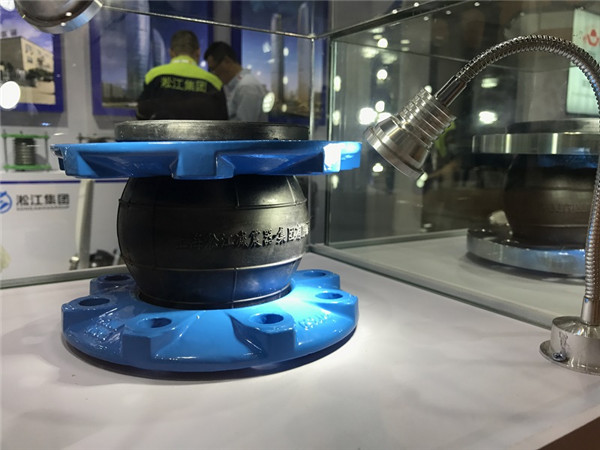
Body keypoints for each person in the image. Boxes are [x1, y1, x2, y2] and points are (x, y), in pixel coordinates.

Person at [136, 30, 228, 120]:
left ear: (171, 52)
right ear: (198, 52)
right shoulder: (214, 82)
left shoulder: (153, 75)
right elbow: (222, 122)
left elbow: (142, 113)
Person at [204, 41, 268, 122]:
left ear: (227, 61)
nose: (213, 74)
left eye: (213, 69)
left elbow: (243, 127)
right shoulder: (233, 87)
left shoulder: (247, 87)